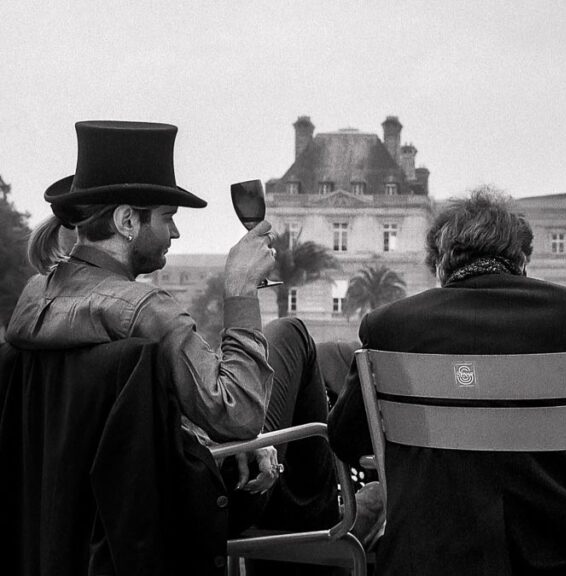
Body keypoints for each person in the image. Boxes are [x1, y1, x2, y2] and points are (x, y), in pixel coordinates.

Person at [5, 121, 339, 574]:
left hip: (80, 520)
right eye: (167, 217)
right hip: (182, 507)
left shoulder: (33, 301)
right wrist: (240, 289)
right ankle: (328, 531)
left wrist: (193, 430)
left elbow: (120, 413)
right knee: (293, 334)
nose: (176, 233)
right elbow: (239, 413)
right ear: (127, 222)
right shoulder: (146, 310)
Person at [328, 190, 566, 576]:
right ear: (521, 259)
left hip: (430, 554)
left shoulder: (388, 325)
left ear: (440, 264)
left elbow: (347, 437)